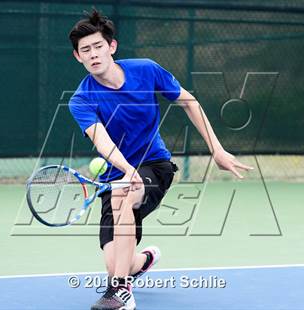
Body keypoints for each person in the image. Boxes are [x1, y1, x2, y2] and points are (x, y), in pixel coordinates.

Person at [68, 9, 252, 310]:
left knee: (122, 195)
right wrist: (127, 170)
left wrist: (216, 149)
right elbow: (103, 140)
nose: (93, 54)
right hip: (118, 173)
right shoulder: (81, 99)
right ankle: (140, 263)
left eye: (98, 46)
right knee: (117, 261)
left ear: (111, 47)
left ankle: (120, 290)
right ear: (78, 57)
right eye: (85, 50)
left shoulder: (146, 70)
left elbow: (188, 101)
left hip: (155, 165)